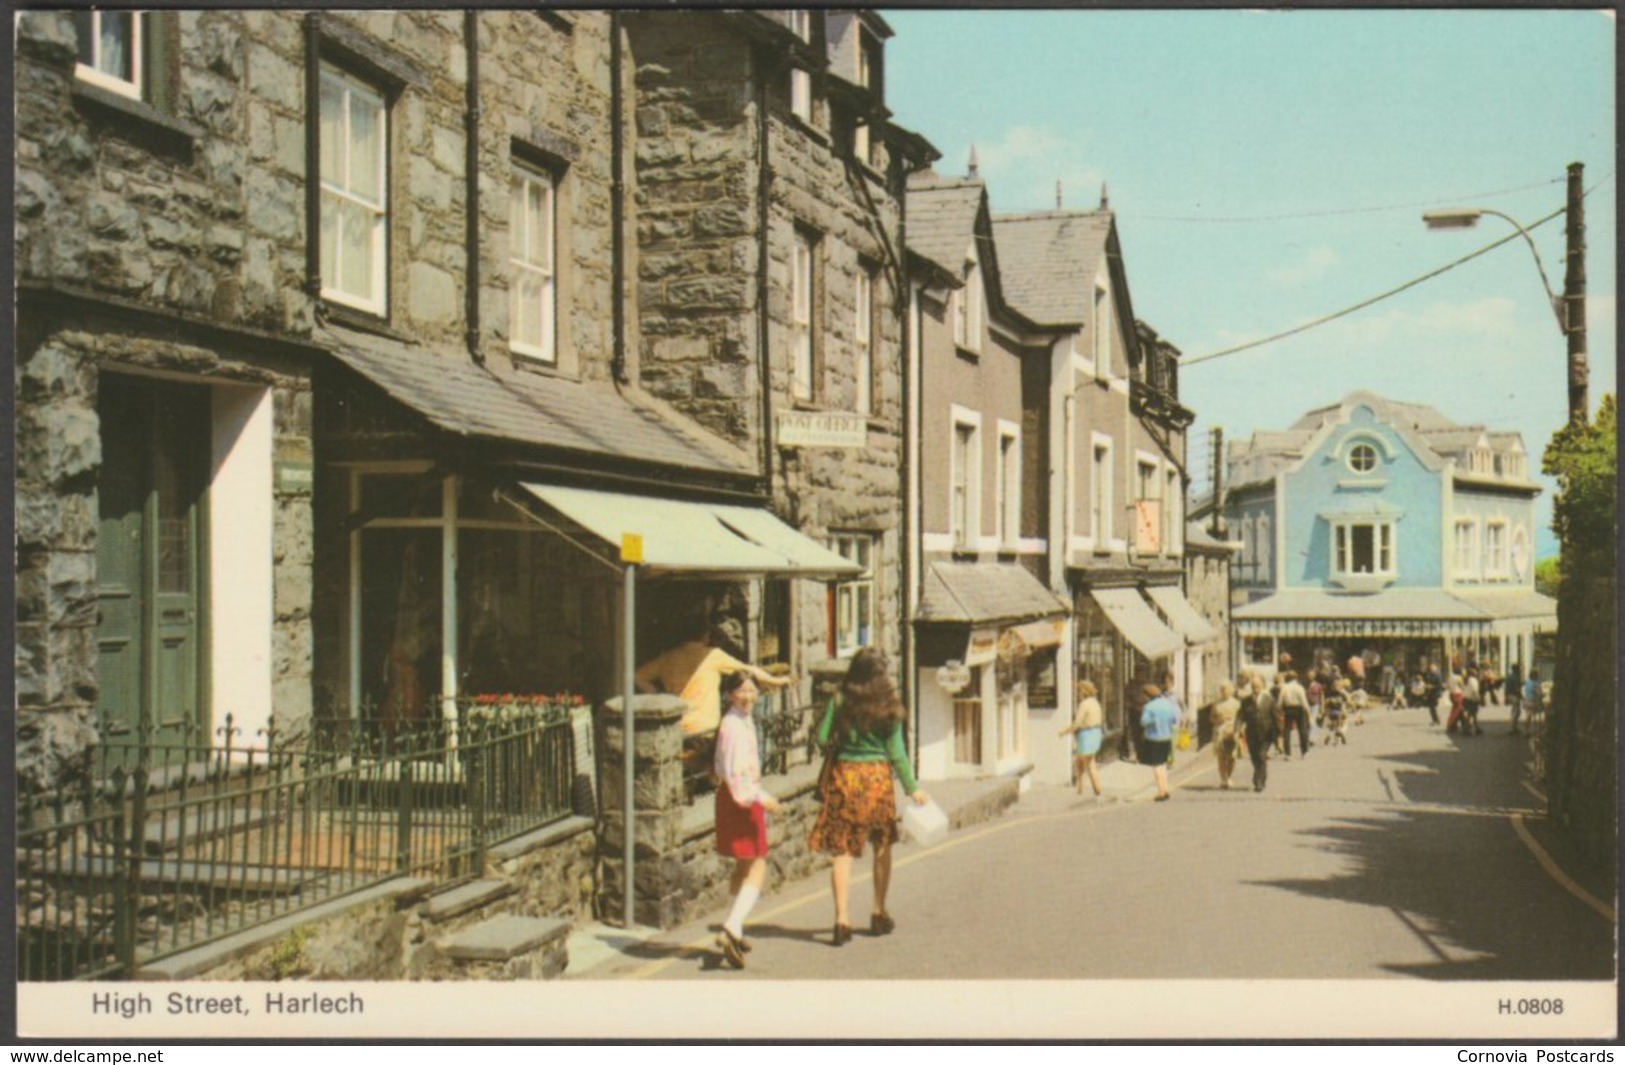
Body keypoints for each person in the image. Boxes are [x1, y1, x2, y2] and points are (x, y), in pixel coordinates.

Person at [808, 649, 928, 945]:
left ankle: (841, 919)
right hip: (876, 780)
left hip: (845, 777)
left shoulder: (839, 700)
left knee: (842, 851)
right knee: (881, 846)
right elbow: (897, 754)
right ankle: (878, 911)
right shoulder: (890, 706)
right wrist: (913, 788)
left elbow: (822, 738)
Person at [635, 616, 793, 775]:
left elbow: (638, 676)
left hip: (677, 730)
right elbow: (750, 671)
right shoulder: (712, 656)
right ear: (705, 636)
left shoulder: (667, 658)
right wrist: (779, 680)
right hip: (705, 732)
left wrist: (661, 697)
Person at [711, 673, 782, 969]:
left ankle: (734, 927)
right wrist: (762, 798)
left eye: (752, 691)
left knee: (742, 864)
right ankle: (733, 923)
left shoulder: (737, 720)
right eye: (741, 691)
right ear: (729, 694)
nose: (748, 696)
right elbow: (738, 772)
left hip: (730, 797)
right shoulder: (734, 726)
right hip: (742, 799)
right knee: (757, 864)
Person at [1059, 679, 1106, 798]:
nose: (1078, 693)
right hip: (1096, 733)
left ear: (1084, 691)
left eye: (1079, 691)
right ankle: (1080, 787)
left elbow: (1077, 723)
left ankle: (1098, 790)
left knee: (1089, 763)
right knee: (1082, 760)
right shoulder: (1095, 702)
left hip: (1087, 734)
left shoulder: (1084, 704)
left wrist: (1064, 732)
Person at [1139, 683, 1180, 802]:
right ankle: (1166, 788)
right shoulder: (1167, 704)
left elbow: (1143, 722)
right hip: (1167, 738)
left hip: (1153, 739)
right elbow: (1173, 719)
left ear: (1147, 696)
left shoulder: (1149, 707)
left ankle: (1161, 791)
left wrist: (1154, 720)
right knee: (1163, 764)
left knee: (1156, 765)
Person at [1239, 672, 1278, 793]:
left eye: (1258, 687)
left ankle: (1258, 781)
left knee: (1261, 756)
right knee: (1255, 758)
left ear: (1263, 687)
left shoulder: (1269, 700)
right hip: (1251, 733)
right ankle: (1261, 776)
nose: (1255, 689)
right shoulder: (1246, 701)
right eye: (1253, 687)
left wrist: (1279, 736)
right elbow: (1240, 716)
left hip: (1266, 734)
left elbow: (1275, 717)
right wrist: (1238, 728)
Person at [1209, 681, 1242, 789]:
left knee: (1232, 757)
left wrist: (1239, 730)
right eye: (1222, 690)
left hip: (1232, 731)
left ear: (1231, 690)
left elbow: (1241, 719)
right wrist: (1218, 720)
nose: (1223, 692)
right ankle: (1223, 779)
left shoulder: (1236, 703)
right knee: (1221, 756)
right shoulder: (1216, 703)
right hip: (1219, 731)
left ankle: (1229, 776)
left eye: (1226, 689)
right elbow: (1211, 718)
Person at [1277, 670, 1311, 758]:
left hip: (1288, 709)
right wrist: (1308, 711)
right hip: (1299, 708)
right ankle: (1304, 751)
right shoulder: (1300, 687)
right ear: (1296, 678)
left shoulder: (1284, 687)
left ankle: (1287, 753)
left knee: (1287, 731)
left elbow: (1280, 701)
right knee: (1302, 730)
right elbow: (1304, 701)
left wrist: (1279, 710)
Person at [1519, 668, 1542, 736]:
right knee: (1535, 716)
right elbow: (1538, 693)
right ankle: (1535, 730)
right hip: (1533, 701)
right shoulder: (1536, 683)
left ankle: (1526, 730)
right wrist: (1542, 695)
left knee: (1528, 716)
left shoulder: (1527, 682)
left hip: (1526, 700)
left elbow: (1524, 691)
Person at [1506, 661, 1525, 735]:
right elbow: (1517, 688)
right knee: (1516, 712)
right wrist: (1521, 696)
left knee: (1515, 711)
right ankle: (1513, 728)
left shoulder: (1509, 676)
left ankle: (1514, 727)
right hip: (1515, 695)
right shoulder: (1517, 677)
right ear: (1517, 669)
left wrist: (1506, 696)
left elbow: (1506, 688)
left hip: (1509, 695)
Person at [1461, 668, 1482, 736]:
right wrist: (1478, 697)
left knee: (1472, 714)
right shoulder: (1473, 680)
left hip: (1466, 698)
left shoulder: (1467, 680)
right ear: (1473, 673)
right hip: (1472, 699)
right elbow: (1474, 690)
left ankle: (1477, 728)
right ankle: (1466, 729)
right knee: (1471, 714)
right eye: (1475, 672)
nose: (1476, 672)